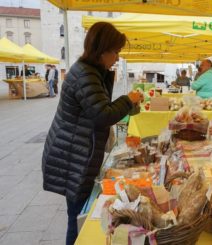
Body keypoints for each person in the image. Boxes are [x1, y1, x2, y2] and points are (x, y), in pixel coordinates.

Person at [41, 22, 144, 245]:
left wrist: (129, 104)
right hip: (73, 154)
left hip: (77, 150)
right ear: (102, 49)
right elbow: (103, 114)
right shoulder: (85, 74)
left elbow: (102, 107)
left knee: (77, 213)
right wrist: (129, 100)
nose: (117, 58)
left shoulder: (93, 72)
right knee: (77, 217)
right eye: (115, 52)